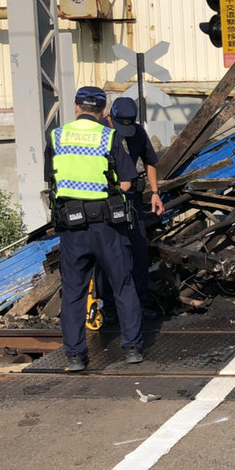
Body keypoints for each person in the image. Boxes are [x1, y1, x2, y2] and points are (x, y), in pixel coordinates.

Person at [44, 86, 144, 371]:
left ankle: (75, 356)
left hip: (72, 227)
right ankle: (133, 348)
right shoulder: (108, 136)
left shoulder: (56, 136)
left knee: (73, 291)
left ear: (76, 106)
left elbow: (52, 180)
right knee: (123, 285)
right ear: (103, 111)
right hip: (107, 227)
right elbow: (126, 181)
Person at [95, 96, 165, 321]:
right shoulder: (99, 134)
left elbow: (150, 161)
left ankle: (140, 304)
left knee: (138, 252)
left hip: (131, 199)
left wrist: (155, 193)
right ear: (109, 117)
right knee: (107, 254)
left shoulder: (138, 133)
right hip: (104, 201)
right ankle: (110, 307)